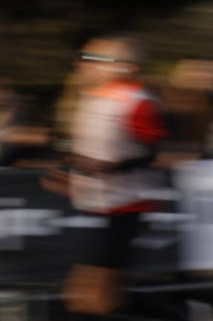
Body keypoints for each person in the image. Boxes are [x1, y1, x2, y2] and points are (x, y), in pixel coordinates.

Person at [53, 35, 166, 316]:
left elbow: (153, 154)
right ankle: (181, 314)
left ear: (124, 67)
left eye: (95, 59)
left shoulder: (136, 101)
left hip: (124, 205)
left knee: (90, 295)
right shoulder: (91, 99)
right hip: (94, 203)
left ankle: (180, 314)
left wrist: (106, 169)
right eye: (83, 58)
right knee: (93, 294)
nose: (83, 65)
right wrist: (71, 170)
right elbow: (97, 150)